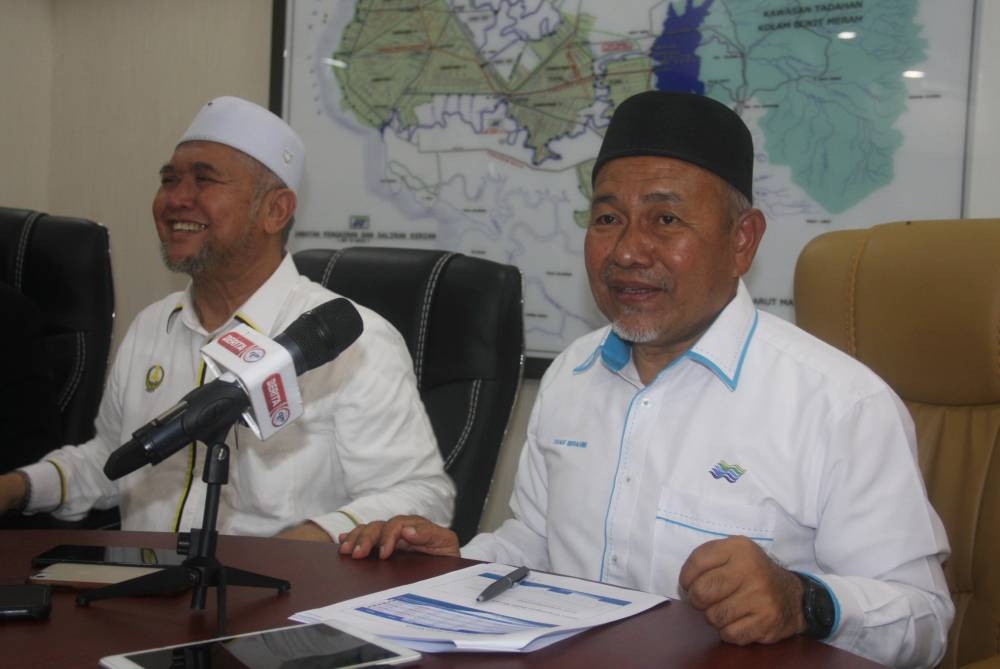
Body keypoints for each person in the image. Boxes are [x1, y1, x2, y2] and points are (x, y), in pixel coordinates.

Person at [335, 91, 953, 668]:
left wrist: (805, 601)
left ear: (742, 241)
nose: (627, 251)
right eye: (607, 218)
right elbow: (537, 546)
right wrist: (460, 564)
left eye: (665, 221)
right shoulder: (571, 377)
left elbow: (925, 622)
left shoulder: (840, 404)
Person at [0, 96, 454, 541]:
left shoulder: (353, 342)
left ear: (275, 210)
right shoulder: (151, 326)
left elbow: (419, 495)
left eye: (203, 181)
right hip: (139, 594)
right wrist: (16, 487)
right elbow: (112, 460)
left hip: (281, 600)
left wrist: (311, 540)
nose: (176, 200)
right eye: (169, 180)